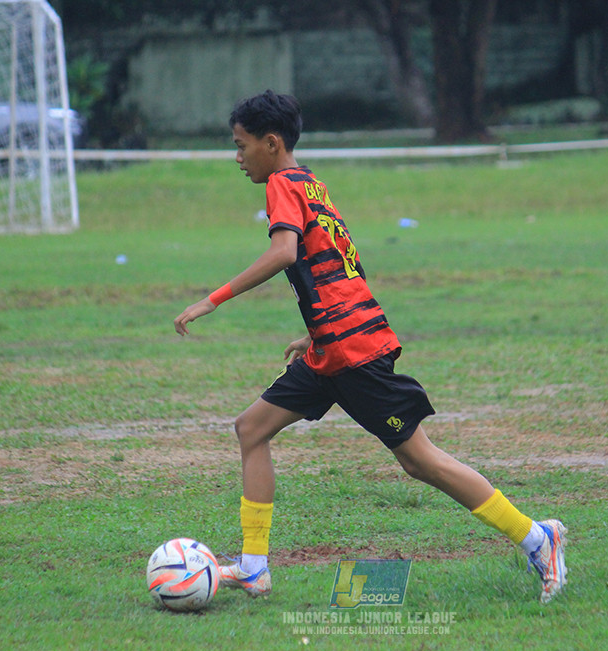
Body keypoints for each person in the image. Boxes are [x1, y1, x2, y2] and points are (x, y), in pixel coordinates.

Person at [173, 90, 567, 602]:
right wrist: (316, 330)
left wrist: (213, 300)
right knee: (251, 429)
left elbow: (284, 252)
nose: (237, 156)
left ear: (271, 143)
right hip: (330, 347)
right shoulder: (311, 183)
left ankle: (539, 539)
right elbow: (343, 262)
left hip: (353, 352)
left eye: (241, 145)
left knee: (420, 461)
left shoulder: (282, 186)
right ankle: (253, 568)